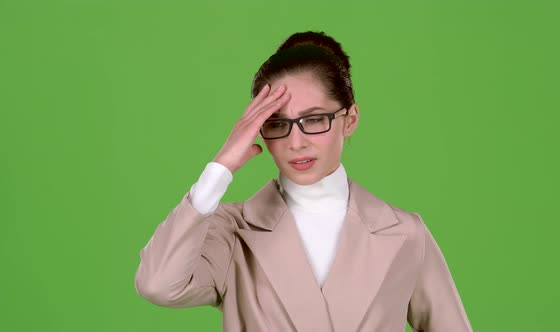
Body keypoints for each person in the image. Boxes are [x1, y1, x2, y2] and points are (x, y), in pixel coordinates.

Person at [134, 31, 473, 332]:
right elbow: (158, 285)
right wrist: (220, 167)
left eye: (314, 120)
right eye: (277, 124)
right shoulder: (233, 231)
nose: (296, 143)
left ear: (350, 118)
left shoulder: (404, 233)